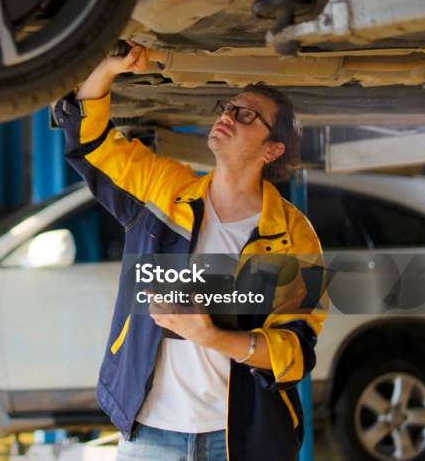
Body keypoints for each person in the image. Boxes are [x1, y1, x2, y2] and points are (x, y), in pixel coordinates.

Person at [52, 44, 327, 461]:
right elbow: (89, 142)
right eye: (228, 107)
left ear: (273, 149)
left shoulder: (293, 236)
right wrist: (109, 68)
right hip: (148, 434)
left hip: (237, 441)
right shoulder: (165, 190)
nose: (228, 116)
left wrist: (213, 337)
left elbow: (294, 352)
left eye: (247, 114)